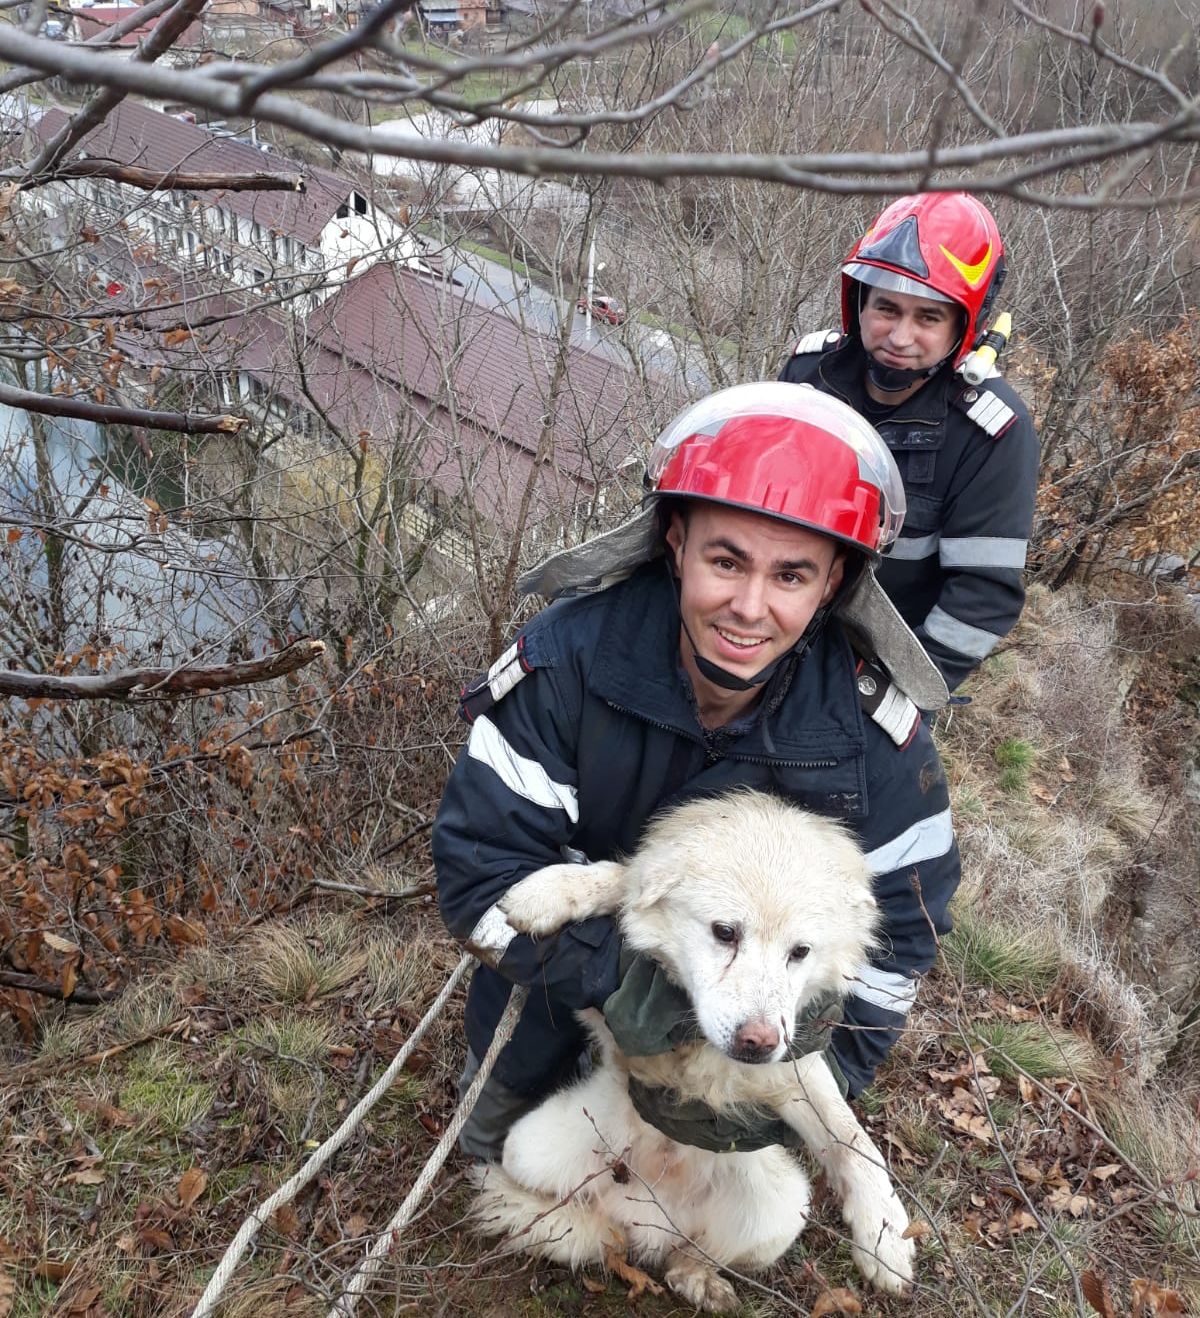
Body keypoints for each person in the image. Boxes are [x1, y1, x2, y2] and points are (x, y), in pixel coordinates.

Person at [433, 382, 960, 1163]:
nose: (749, 606)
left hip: (748, 1041)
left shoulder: (874, 744)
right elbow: (481, 877)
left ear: (833, 583)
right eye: (726, 560)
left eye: (791, 576)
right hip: (543, 991)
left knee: (684, 1191)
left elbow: (905, 935)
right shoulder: (568, 664)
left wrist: (833, 1077)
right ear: (676, 542)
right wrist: (627, 985)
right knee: (496, 1144)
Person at [780, 193, 1040, 692]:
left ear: (964, 326)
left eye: (928, 318)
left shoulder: (991, 433)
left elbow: (982, 597)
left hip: (873, 667)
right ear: (859, 302)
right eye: (887, 308)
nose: (899, 337)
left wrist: (893, 695)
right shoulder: (808, 372)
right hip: (769, 622)